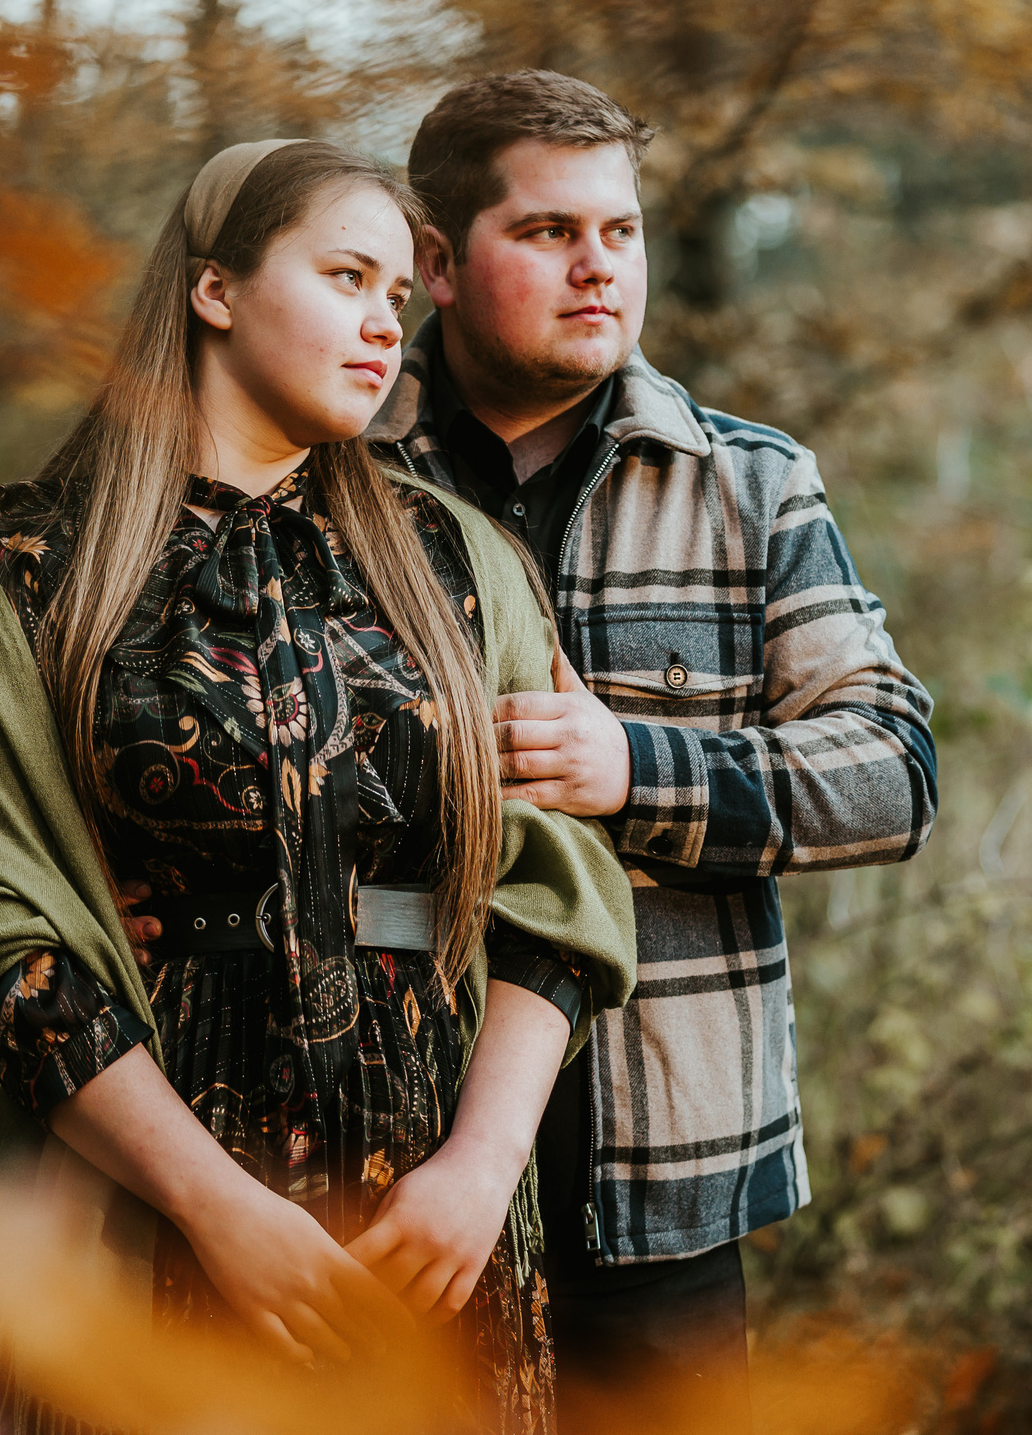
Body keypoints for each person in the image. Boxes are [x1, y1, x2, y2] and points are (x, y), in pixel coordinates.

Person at [0, 139, 638, 1434]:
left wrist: (479, 1167)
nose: (380, 324)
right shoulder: (30, 575)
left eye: (399, 297)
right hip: (128, 1191)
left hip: (425, 1192)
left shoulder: (455, 560)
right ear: (213, 287)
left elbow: (558, 885)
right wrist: (214, 1206)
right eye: (346, 274)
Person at [368, 71, 939, 1431]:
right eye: (551, 232)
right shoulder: (341, 480)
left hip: (665, 1179)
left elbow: (893, 771)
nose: (598, 269)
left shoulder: (749, 482)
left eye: (619, 234)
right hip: (384, 1158)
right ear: (438, 262)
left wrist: (637, 770)